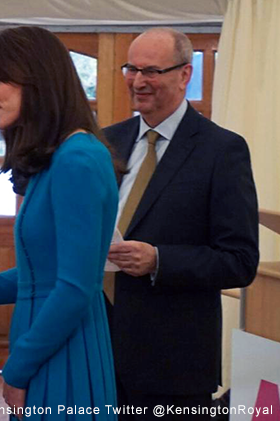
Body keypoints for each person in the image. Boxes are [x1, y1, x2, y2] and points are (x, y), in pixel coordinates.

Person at [0, 26, 120, 420]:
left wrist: (17, 367)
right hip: (50, 344)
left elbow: (75, 288)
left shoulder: (78, 159)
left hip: (65, 351)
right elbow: (45, 274)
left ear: (35, 81)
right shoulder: (59, 159)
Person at [103, 28, 259, 420]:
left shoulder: (222, 150)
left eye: (152, 71)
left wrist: (160, 261)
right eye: (132, 69)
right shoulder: (106, 142)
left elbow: (240, 261)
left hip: (172, 361)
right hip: (97, 344)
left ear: (185, 75)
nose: (138, 81)